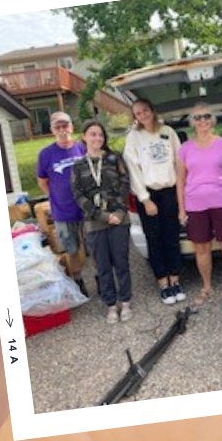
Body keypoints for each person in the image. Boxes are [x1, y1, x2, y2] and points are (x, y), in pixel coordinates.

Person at [175, 109, 222, 307]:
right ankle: (206, 287)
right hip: (195, 205)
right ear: (192, 122)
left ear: (212, 120)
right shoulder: (184, 149)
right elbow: (180, 179)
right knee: (201, 248)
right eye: (198, 117)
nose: (202, 120)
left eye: (206, 116)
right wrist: (182, 209)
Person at [122, 98, 185, 305]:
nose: (142, 115)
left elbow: (179, 162)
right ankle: (163, 284)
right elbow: (133, 170)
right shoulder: (134, 137)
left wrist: (180, 192)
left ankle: (175, 280)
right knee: (154, 239)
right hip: (148, 194)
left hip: (169, 191)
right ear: (135, 117)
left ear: (152, 110)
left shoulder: (168, 132)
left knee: (171, 237)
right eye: (138, 113)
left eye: (145, 110)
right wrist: (145, 199)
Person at [70, 120, 132, 324]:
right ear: (84, 137)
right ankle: (111, 305)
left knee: (121, 262)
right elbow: (78, 195)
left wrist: (120, 212)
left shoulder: (115, 159)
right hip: (94, 222)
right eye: (93, 134)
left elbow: (125, 184)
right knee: (103, 266)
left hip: (119, 218)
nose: (97, 138)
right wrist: (103, 216)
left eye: (100, 135)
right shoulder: (78, 165)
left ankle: (125, 301)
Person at [35, 112, 86, 293]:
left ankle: (100, 279)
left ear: (71, 127)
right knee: (71, 249)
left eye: (65, 126)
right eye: (58, 127)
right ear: (52, 130)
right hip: (63, 211)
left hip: (86, 209)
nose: (62, 130)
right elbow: (42, 181)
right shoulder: (46, 154)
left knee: (93, 248)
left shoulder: (82, 148)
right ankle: (79, 281)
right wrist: (55, 196)